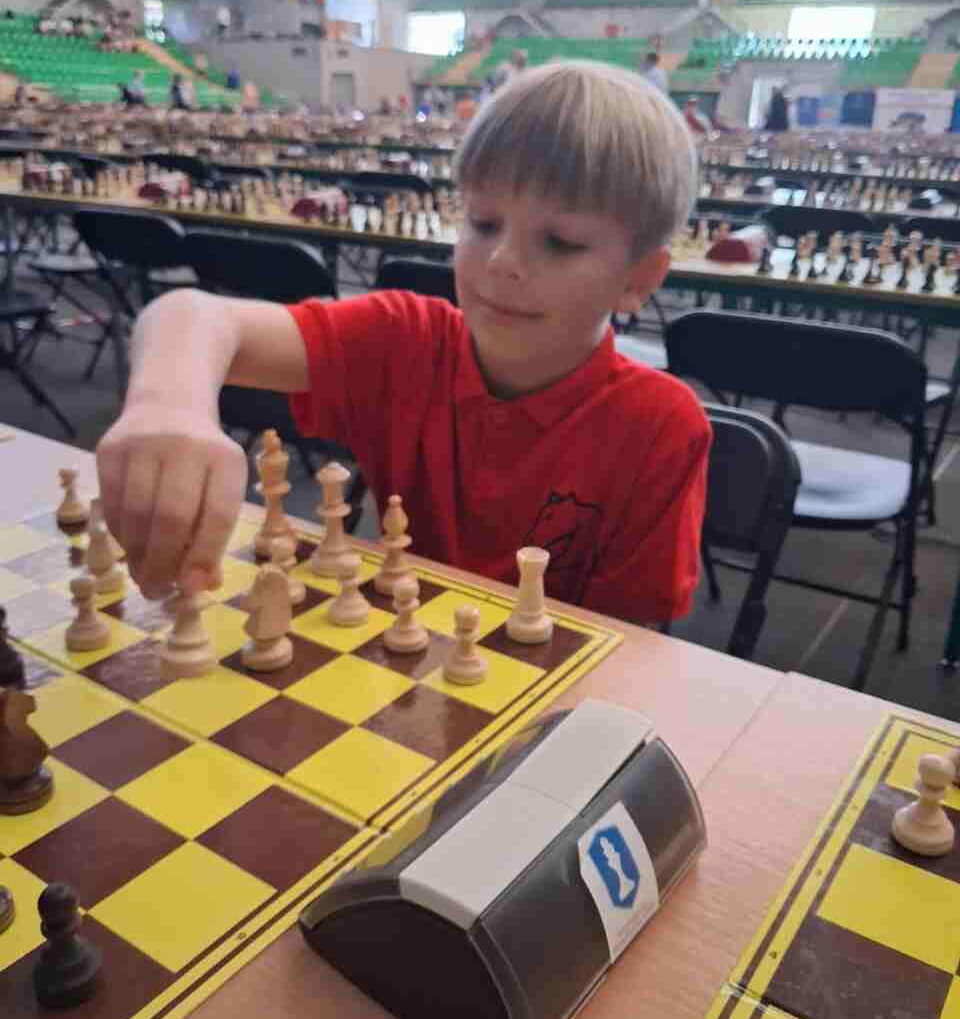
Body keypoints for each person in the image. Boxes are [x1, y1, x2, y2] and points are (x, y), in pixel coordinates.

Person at [96, 61, 709, 626]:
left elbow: (632, 647)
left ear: (638, 279)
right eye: (483, 222)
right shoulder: (405, 341)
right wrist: (168, 404)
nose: (502, 260)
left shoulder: (660, 428)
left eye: (562, 242)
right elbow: (188, 313)